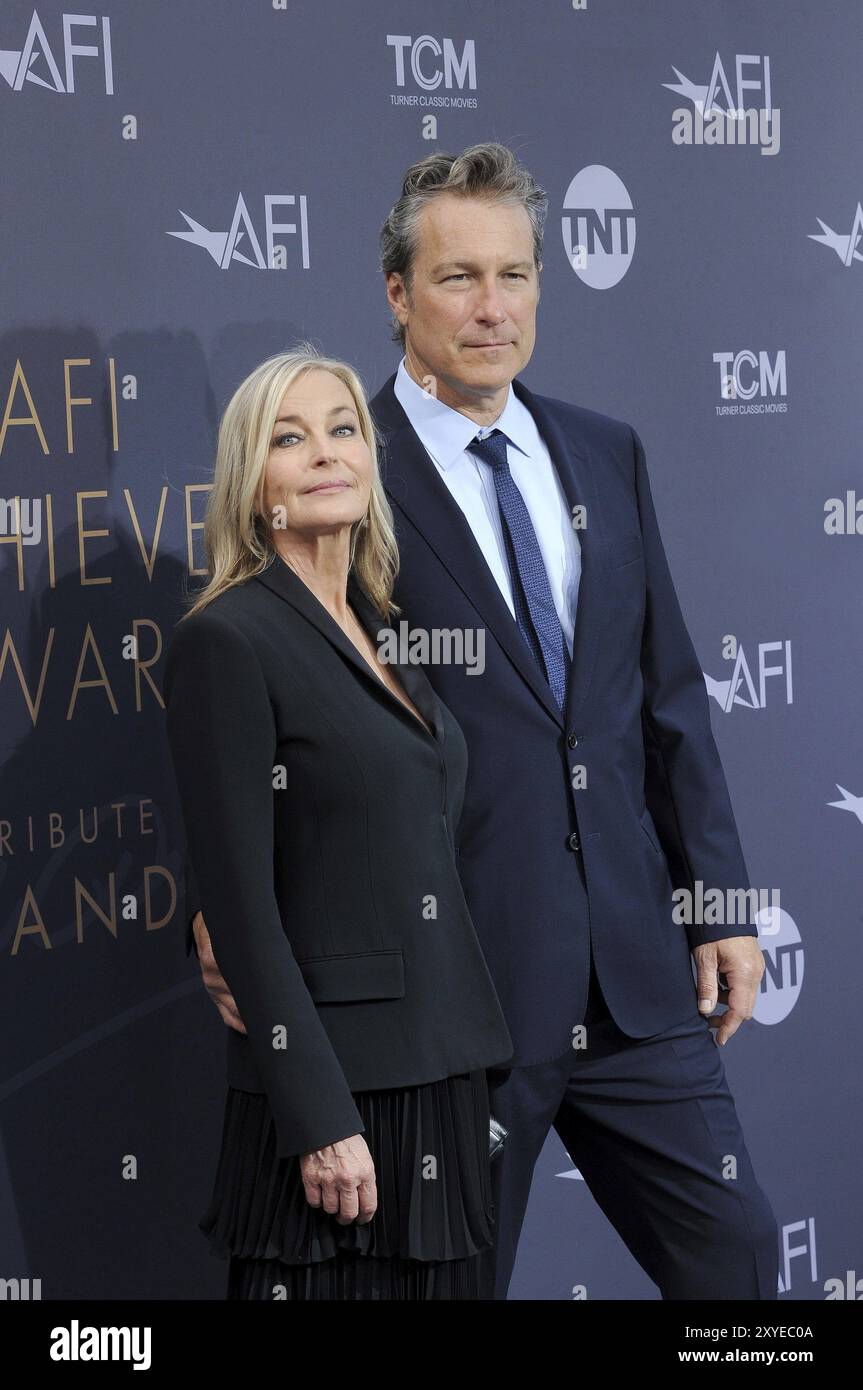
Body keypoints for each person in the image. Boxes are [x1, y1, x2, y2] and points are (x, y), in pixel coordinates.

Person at [183, 142, 779, 1300]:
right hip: (455, 1002)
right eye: (457, 277)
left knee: (740, 1261)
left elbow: (663, 695)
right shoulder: (345, 469)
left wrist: (719, 897)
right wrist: (221, 900)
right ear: (398, 294)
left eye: (514, 275)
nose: (491, 307)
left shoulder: (604, 454)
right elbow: (274, 709)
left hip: (634, 982)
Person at [163, 347, 514, 1300]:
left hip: (440, 1074)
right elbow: (238, 903)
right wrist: (318, 1118)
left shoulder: (385, 626)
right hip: (336, 1096)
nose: (324, 452)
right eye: (289, 436)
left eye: (343, 428)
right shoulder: (227, 639)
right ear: (252, 481)